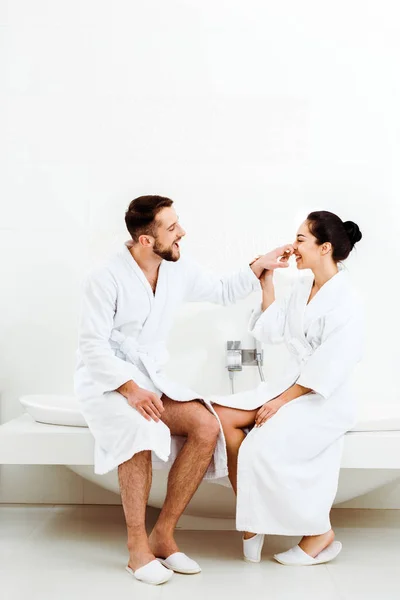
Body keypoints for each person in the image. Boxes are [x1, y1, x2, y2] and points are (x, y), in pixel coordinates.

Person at [74, 195, 291, 585]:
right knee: (139, 429)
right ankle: (137, 547)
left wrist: (262, 264)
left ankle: (164, 534)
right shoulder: (104, 278)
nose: (182, 233)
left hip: (150, 378)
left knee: (206, 426)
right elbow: (92, 346)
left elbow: (223, 290)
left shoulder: (175, 268)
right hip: (107, 381)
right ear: (145, 241)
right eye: (172, 228)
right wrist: (129, 389)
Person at [213, 211, 363, 566]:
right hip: (291, 385)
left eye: (300, 240)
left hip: (322, 397)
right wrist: (266, 280)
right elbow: (271, 329)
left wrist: (281, 401)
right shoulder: (300, 286)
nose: (292, 246)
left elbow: (332, 365)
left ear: (324, 248)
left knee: (255, 449)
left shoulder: (347, 299)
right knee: (222, 417)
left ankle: (318, 532)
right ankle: (252, 524)